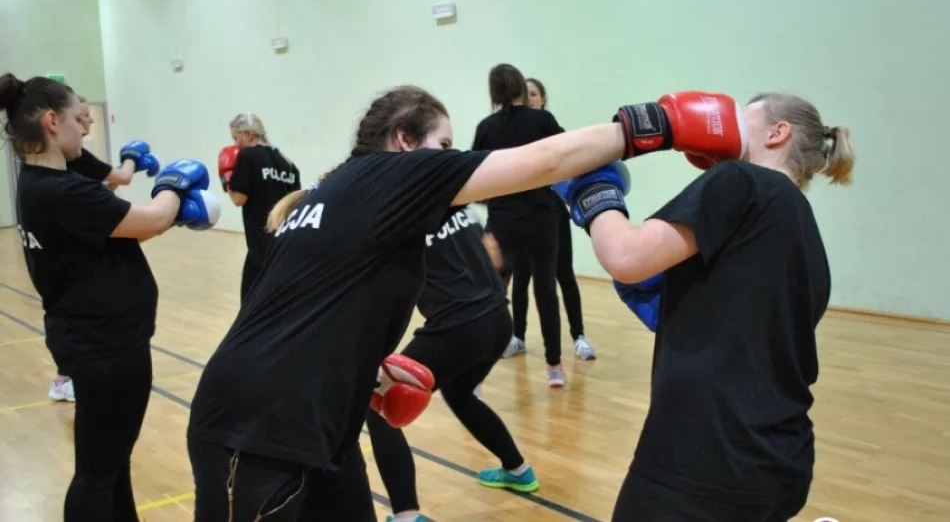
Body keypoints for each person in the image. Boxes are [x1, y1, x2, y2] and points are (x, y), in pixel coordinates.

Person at [185, 83, 737, 520]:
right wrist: (659, 125)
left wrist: (366, 377)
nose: (450, 160)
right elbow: (542, 161)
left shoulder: (343, 194)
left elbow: (310, 313)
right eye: (444, 147)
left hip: (319, 426)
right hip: (254, 427)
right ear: (404, 140)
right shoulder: (389, 176)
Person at [551, 92, 854, 521]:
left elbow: (626, 256)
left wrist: (594, 190)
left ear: (777, 133)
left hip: (704, 458)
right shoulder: (804, 232)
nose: (724, 126)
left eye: (742, 117)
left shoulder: (741, 181)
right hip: (778, 458)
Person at [0, 72, 220, 522]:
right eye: (77, 119)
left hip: (94, 339)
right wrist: (174, 186)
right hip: (106, 348)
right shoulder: (60, 192)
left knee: (111, 463)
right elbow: (154, 220)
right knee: (99, 472)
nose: (85, 127)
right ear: (50, 121)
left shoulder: (46, 180)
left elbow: (123, 222)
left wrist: (136, 177)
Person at [367, 204, 539, 522]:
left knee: (379, 402)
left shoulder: (403, 210)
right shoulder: (455, 200)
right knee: (459, 392)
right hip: (499, 319)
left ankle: (406, 516)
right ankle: (518, 470)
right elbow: (494, 254)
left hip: (459, 326)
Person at [472, 64, 571, 387]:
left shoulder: (486, 127)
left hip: (502, 223)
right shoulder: (542, 120)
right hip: (542, 219)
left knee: (491, 295)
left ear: (493, 92)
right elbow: (566, 157)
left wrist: (495, 201)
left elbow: (477, 175)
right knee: (546, 291)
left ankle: (475, 376)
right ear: (517, 87)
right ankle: (554, 367)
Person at [47, 96, 147, 403]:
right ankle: (64, 379)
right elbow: (123, 177)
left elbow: (103, 194)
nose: (89, 123)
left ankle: (65, 378)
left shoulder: (59, 166)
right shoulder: (74, 159)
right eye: (81, 117)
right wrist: (132, 156)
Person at [504, 76, 595, 361]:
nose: (529, 98)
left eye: (534, 94)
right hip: (522, 216)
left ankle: (579, 336)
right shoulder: (514, 135)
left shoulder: (556, 133)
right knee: (521, 279)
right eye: (525, 94)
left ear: (542, 98)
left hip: (553, 217)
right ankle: (517, 337)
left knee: (564, 274)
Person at [218, 112, 302, 302]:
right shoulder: (288, 164)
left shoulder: (247, 156)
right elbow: (296, 203)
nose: (235, 144)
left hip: (260, 248)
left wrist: (226, 178)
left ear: (248, 135)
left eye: (236, 138)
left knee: (249, 307)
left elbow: (238, 198)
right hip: (285, 246)